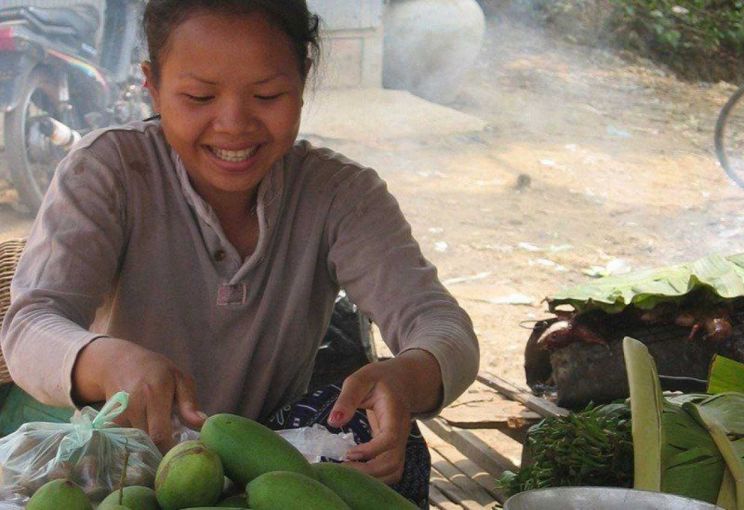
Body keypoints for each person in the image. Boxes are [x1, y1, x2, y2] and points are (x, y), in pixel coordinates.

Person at [0, 0, 479, 505]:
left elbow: (440, 324)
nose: (233, 124)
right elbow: (31, 323)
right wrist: (106, 360)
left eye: (268, 94)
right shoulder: (108, 172)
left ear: (304, 79)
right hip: (125, 463)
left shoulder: (340, 195)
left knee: (378, 436)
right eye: (199, 96)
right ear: (152, 85)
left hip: (269, 460)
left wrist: (409, 375)